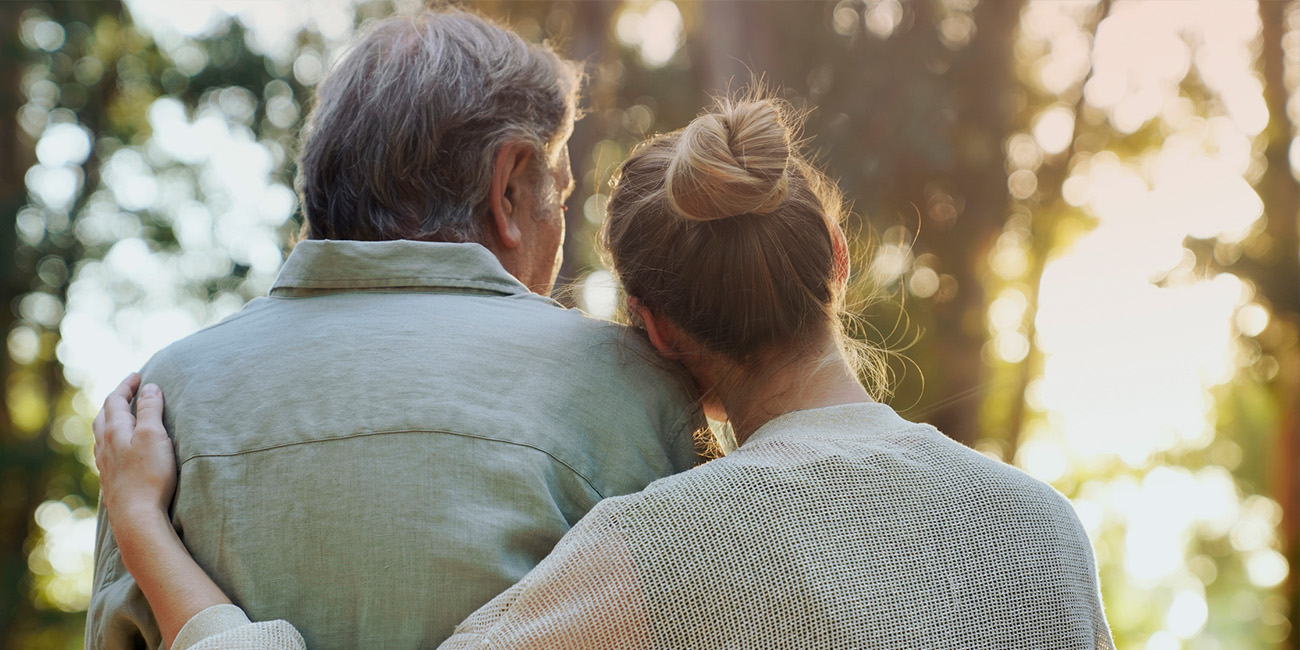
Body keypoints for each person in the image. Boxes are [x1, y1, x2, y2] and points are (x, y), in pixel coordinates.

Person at [94, 95, 1116, 649]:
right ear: (837, 260)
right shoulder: (1039, 524)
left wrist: (145, 522)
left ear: (652, 330)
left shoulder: (651, 550)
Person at [85, 9, 703, 650]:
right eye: (564, 198)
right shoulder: (638, 391)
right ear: (509, 190)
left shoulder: (159, 409)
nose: (561, 223)